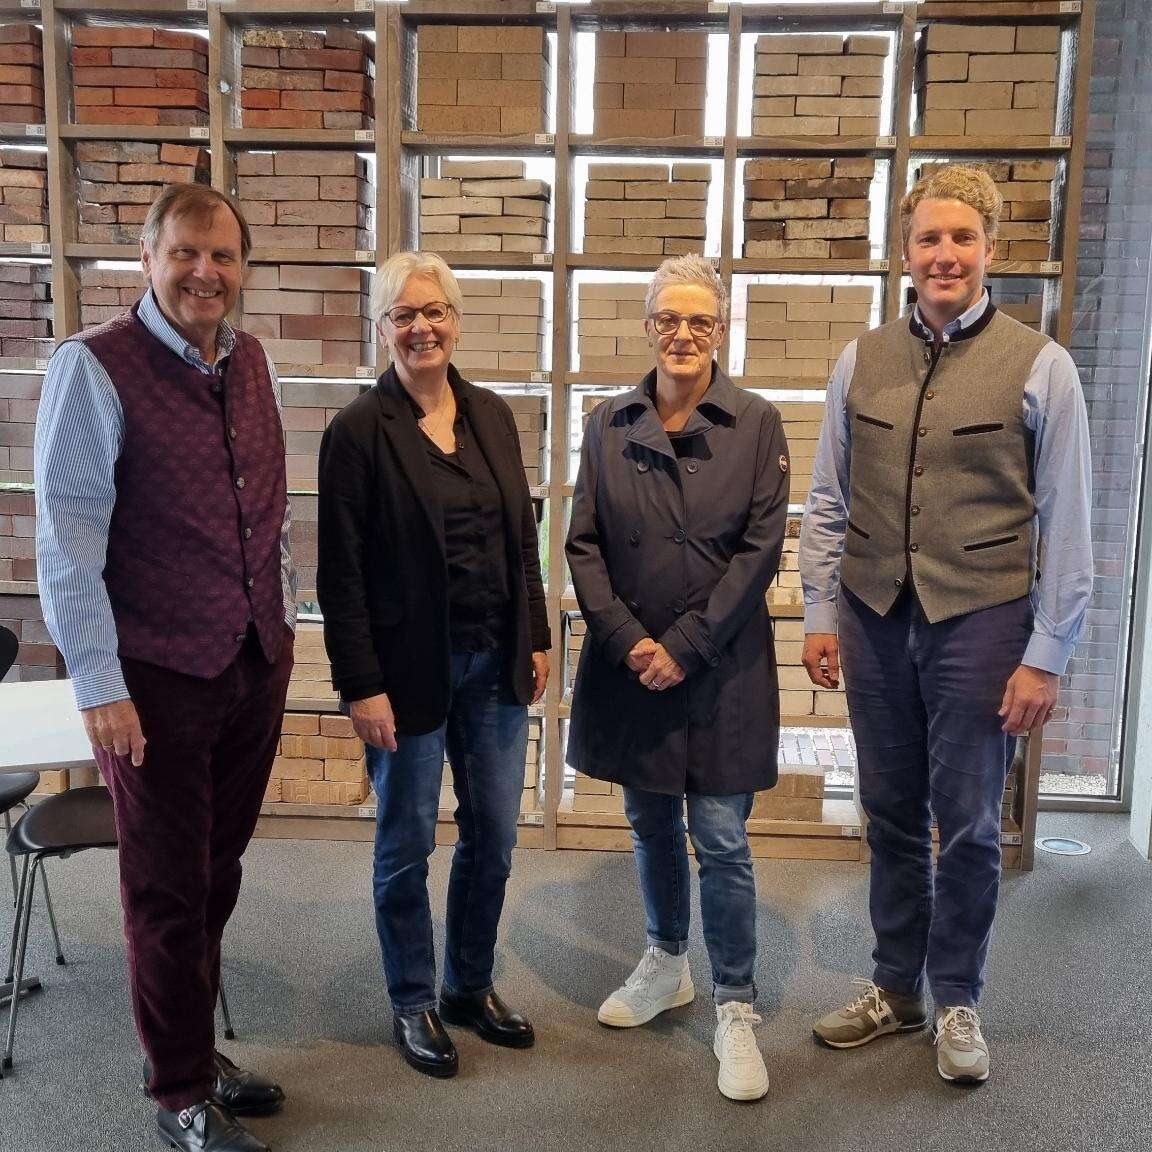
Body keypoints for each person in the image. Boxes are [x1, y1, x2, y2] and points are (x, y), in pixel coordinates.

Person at [799, 164, 1093, 1084]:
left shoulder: (1042, 364)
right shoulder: (862, 357)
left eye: (963, 238)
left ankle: (958, 996)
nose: (945, 254)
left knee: (965, 823)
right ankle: (896, 990)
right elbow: (826, 500)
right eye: (929, 238)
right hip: (875, 618)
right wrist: (818, 609)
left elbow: (1071, 526)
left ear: (991, 251)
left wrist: (1045, 657)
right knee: (888, 812)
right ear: (905, 251)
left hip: (982, 625)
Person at [34, 184, 295, 1152]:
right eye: (185, 252)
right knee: (166, 888)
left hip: (251, 663)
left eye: (223, 256)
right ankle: (178, 1087)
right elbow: (65, 542)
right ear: (147, 257)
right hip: (152, 679)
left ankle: (196, 1050)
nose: (205, 273)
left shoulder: (250, 357)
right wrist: (98, 682)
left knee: (216, 873)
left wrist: (282, 617)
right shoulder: (93, 366)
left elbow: (264, 501)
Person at [316, 251, 550, 1079]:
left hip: (494, 666)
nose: (423, 327)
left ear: (456, 319)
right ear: (382, 328)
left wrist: (535, 635)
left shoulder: (491, 414)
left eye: (436, 311)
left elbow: (522, 534)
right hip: (405, 675)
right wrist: (359, 685)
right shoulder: (356, 432)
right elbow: (338, 574)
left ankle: (468, 986)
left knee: (493, 836)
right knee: (405, 843)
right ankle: (413, 999)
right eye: (404, 315)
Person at [565, 254, 790, 1102]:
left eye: (700, 320)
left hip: (722, 666)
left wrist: (684, 644)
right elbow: (582, 542)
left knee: (723, 839)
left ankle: (736, 1002)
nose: (684, 333)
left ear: (721, 330)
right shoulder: (609, 421)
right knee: (651, 822)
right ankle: (666, 960)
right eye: (669, 319)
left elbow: (761, 550)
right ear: (649, 325)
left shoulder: (759, 422)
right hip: (633, 668)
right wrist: (627, 641)